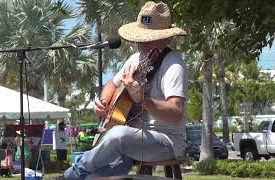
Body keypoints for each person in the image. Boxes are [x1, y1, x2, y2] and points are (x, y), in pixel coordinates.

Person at [63, 1, 187, 179]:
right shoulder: (135, 59)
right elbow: (112, 85)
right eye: (140, 37)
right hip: (130, 142)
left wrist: (143, 99)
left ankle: (71, 174)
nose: (142, 43)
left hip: (166, 141)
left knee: (118, 135)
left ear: (165, 37)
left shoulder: (173, 63)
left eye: (149, 37)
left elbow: (175, 114)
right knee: (93, 177)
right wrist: (104, 103)